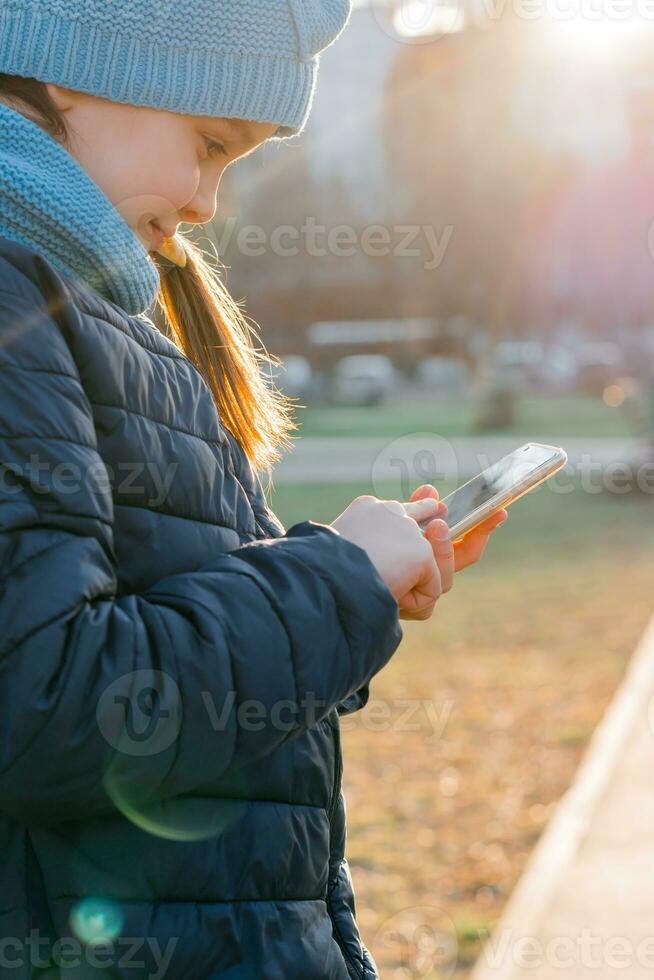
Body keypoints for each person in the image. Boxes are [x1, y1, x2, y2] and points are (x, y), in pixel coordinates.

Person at [0, 1, 507, 977]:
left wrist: (352, 584)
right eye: (210, 143)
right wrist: (330, 583)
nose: (206, 203)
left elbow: (146, 620)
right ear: (71, 67)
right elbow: (44, 702)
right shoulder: (19, 303)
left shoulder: (89, 308)